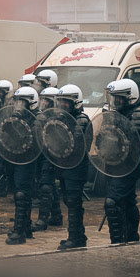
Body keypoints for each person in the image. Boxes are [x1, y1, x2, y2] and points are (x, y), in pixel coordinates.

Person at [103, 78, 140, 244]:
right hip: (115, 164)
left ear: (130, 97)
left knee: (112, 202)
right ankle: (131, 237)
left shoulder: (138, 114)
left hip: (130, 164)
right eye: (114, 97)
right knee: (128, 201)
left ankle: (117, 240)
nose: (115, 101)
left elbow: (131, 139)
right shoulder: (119, 114)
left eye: (119, 98)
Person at [55, 84, 92, 250]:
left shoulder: (82, 120)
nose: (63, 105)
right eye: (61, 102)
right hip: (64, 166)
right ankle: (79, 234)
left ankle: (74, 237)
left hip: (76, 168)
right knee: (68, 200)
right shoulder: (61, 119)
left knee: (73, 201)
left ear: (76, 103)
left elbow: (75, 144)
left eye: (66, 102)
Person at [5, 86, 41, 245]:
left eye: (23, 103)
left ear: (31, 103)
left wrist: (15, 131)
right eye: (17, 102)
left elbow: (31, 142)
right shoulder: (17, 119)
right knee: (21, 193)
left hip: (28, 161)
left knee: (21, 194)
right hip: (16, 159)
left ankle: (19, 232)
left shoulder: (37, 119)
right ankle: (25, 227)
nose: (19, 106)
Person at [34, 87, 64, 232]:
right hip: (41, 153)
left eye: (47, 101)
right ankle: (57, 215)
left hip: (51, 155)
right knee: (49, 185)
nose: (44, 103)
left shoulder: (59, 118)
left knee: (46, 186)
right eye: (43, 100)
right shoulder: (40, 116)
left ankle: (42, 219)